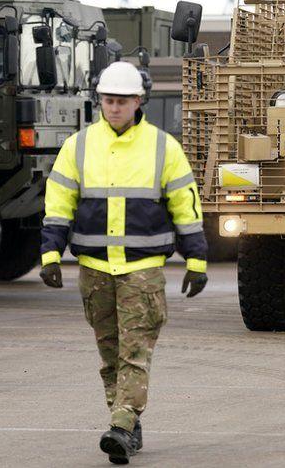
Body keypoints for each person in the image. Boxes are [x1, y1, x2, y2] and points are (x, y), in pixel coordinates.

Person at [39, 61, 208, 464]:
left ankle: (121, 424)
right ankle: (128, 423)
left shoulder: (163, 147)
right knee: (110, 353)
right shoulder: (78, 146)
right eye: (108, 100)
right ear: (100, 101)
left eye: (122, 101)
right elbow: (58, 204)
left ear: (139, 101)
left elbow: (186, 206)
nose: (114, 108)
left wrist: (197, 259)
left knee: (135, 351)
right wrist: (49, 254)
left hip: (142, 269)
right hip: (95, 269)